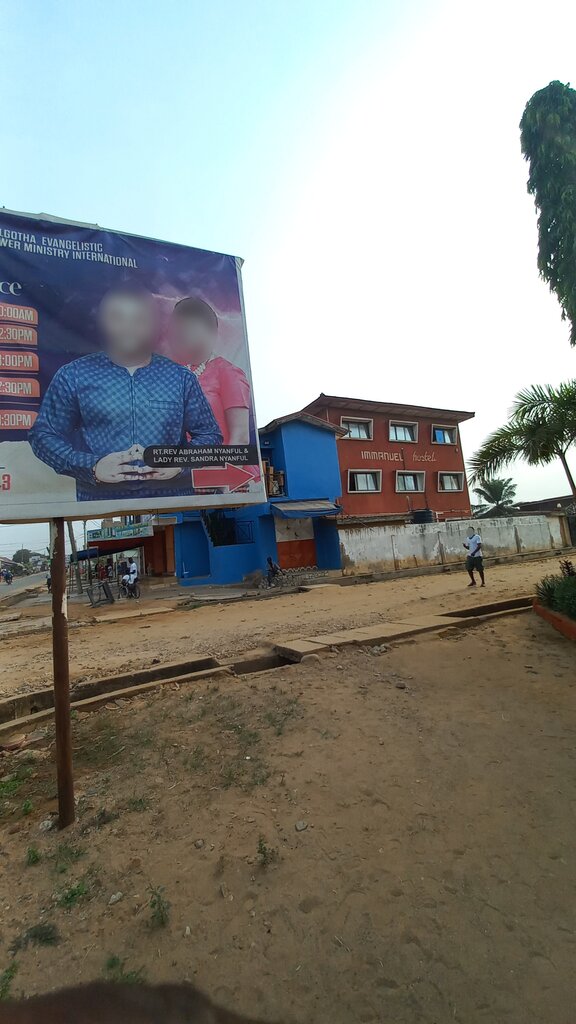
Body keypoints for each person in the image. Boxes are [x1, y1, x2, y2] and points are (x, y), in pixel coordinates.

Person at [29, 283, 222, 502]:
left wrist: (178, 462)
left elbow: (210, 436)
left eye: (139, 319)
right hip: (100, 503)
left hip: (174, 502)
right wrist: (92, 467)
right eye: (117, 317)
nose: (128, 328)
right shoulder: (74, 375)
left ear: (156, 325)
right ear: (101, 321)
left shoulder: (180, 378)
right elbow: (43, 435)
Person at [169, 297, 251, 444]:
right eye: (179, 329)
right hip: (181, 464)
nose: (183, 335)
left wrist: (228, 466)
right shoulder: (178, 373)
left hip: (220, 464)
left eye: (190, 329)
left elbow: (240, 438)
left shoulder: (228, 373)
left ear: (212, 332)